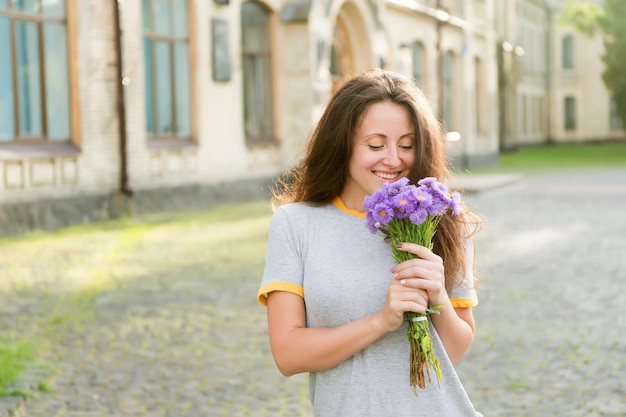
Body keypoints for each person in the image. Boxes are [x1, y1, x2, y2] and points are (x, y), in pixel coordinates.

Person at [257, 68, 483, 417]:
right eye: (375, 145)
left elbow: (453, 351)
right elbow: (288, 354)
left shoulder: (440, 218)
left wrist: (438, 296)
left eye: (407, 145)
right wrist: (381, 321)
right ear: (341, 143)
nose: (393, 159)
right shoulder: (296, 224)